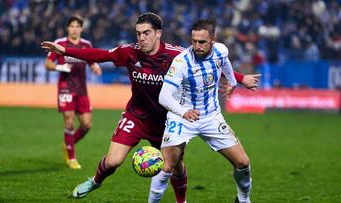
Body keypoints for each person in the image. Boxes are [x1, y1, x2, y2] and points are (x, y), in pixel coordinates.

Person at [41, 13, 258, 202]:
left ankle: (181, 201)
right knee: (113, 161)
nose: (141, 38)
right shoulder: (129, 52)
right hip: (136, 115)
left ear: (158, 33)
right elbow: (101, 55)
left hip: (165, 120)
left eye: (146, 33)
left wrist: (239, 78)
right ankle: (95, 181)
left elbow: (207, 64)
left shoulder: (176, 55)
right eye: (138, 33)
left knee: (176, 167)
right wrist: (64, 50)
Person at [148, 19, 252, 203]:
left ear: (213, 39)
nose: (197, 46)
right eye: (194, 41)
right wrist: (183, 112)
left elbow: (225, 64)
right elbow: (164, 96)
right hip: (182, 118)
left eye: (202, 42)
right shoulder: (181, 62)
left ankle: (243, 200)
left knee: (243, 163)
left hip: (211, 117)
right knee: (167, 166)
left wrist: (232, 83)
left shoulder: (221, 50)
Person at [45, 15, 101, 169]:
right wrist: (59, 67)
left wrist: (94, 66)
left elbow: (91, 59)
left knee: (87, 125)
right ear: (67, 28)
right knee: (69, 120)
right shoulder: (60, 43)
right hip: (65, 87)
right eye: (72, 26)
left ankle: (67, 144)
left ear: (81, 28)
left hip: (82, 89)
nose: (74, 29)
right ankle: (72, 158)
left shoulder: (86, 44)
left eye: (77, 26)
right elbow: (48, 63)